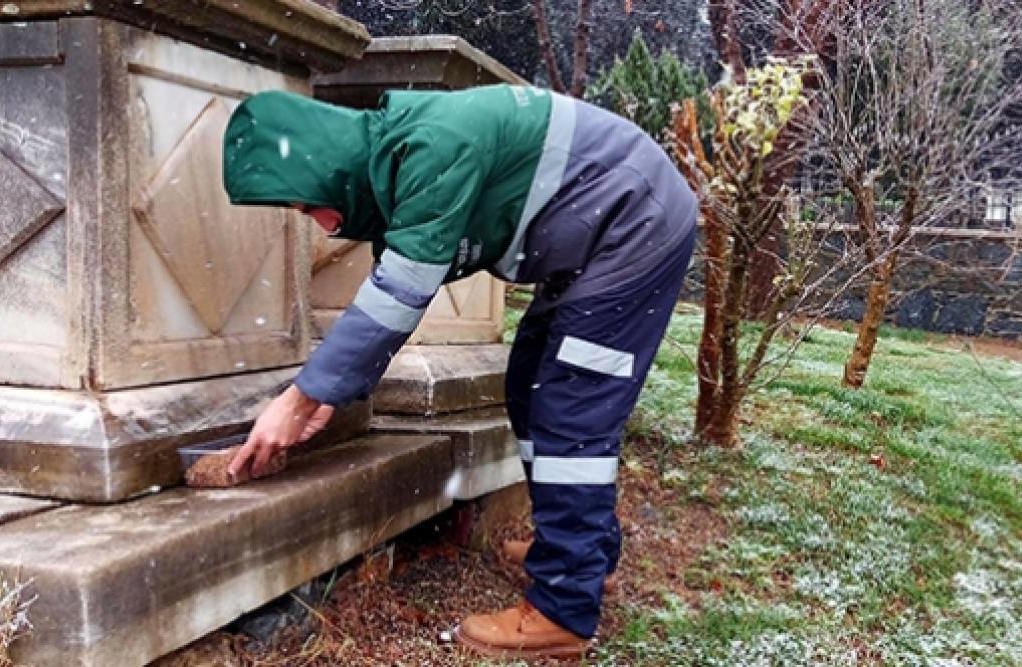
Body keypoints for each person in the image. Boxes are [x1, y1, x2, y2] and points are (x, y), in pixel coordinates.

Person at [221, 84, 696, 660]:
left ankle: (564, 608)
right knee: (530, 384)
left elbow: (399, 294)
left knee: (571, 407)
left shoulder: (431, 148)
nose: (321, 225)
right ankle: (580, 557)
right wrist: (331, 394)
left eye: (306, 205)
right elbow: (393, 291)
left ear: (328, 168)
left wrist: (299, 398)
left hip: (633, 227)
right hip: (612, 229)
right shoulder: (401, 159)